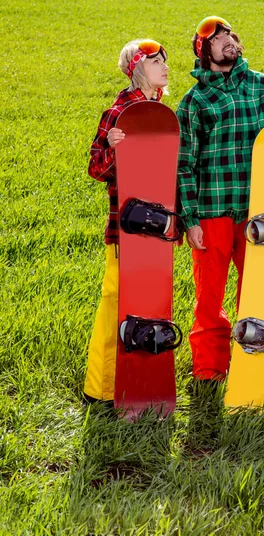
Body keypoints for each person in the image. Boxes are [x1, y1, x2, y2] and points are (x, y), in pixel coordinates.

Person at [176, 16, 264, 383]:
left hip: (257, 216)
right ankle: (210, 369)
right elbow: (183, 167)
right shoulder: (194, 102)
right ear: (204, 51)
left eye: (230, 34)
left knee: (259, 293)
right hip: (212, 213)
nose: (228, 40)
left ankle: (254, 367)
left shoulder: (262, 87)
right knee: (209, 300)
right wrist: (190, 220)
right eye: (218, 38)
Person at [83, 39, 169, 405]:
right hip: (125, 231)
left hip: (158, 231)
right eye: (156, 62)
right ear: (136, 68)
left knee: (152, 305)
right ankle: (99, 390)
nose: (165, 67)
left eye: (166, 61)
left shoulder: (160, 111)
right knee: (116, 302)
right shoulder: (118, 112)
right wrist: (114, 148)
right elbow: (95, 167)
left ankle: (142, 382)